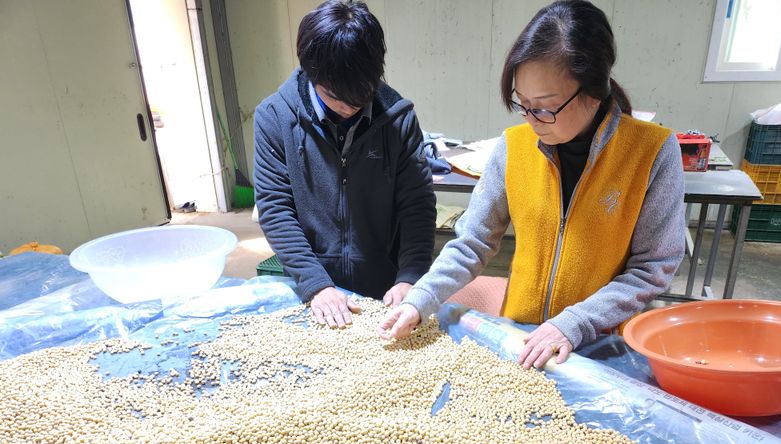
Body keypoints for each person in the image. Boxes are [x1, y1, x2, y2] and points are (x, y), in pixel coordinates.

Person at [379, 0, 685, 369]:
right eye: (522, 103)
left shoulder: (651, 151)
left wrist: (573, 324)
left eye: (544, 106)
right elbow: (472, 243)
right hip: (521, 337)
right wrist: (421, 298)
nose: (532, 119)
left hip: (600, 345)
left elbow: (653, 267)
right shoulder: (513, 147)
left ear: (593, 92)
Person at [253, 0, 436, 329]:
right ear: (312, 74)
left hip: (385, 286)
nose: (349, 107)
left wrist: (410, 276)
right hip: (312, 288)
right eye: (335, 96)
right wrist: (316, 284)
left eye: (362, 94)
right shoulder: (274, 117)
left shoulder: (399, 119)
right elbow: (275, 207)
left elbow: (417, 206)